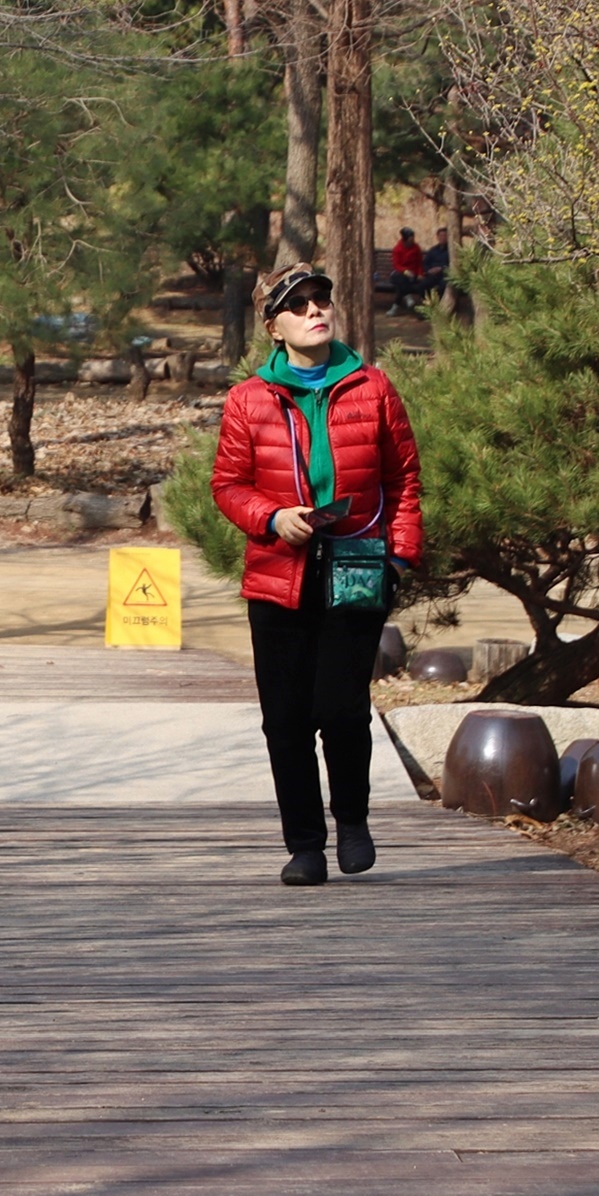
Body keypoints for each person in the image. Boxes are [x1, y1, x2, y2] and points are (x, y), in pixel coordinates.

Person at [210, 264, 423, 885]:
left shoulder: (373, 387)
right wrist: (272, 517)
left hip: (357, 569)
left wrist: (399, 557)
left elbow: (403, 479)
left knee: (343, 709)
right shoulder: (249, 399)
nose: (314, 311)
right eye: (298, 305)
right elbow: (227, 485)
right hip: (278, 575)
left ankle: (352, 822)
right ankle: (305, 846)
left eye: (320, 300)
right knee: (286, 720)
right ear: (274, 327)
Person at [386, 227, 425, 313]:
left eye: (413, 238)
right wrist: (405, 271)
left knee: (400, 284)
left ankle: (395, 307)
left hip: (413, 274)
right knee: (399, 278)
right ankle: (407, 297)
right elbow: (396, 265)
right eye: (410, 239)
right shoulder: (397, 249)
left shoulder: (416, 248)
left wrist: (420, 273)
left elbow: (419, 262)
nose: (412, 241)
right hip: (402, 273)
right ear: (405, 240)